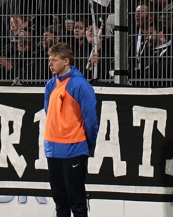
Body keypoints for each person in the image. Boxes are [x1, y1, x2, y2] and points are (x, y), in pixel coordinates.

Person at [44, 43, 98, 217]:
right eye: (49, 60)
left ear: (66, 61)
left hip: (74, 149)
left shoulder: (80, 85)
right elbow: (48, 112)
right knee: (60, 201)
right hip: (53, 150)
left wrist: (87, 144)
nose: (50, 64)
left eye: (54, 60)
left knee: (77, 202)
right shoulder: (50, 85)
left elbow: (90, 120)